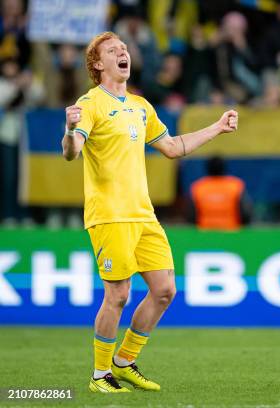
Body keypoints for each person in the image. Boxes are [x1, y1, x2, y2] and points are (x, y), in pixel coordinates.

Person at [61, 31, 238, 393]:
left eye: (124, 49)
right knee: (119, 295)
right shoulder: (90, 103)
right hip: (110, 214)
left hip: (144, 214)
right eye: (113, 50)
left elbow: (173, 147)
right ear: (98, 64)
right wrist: (68, 129)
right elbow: (72, 152)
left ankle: (124, 362)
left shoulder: (141, 107)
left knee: (164, 290)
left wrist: (217, 128)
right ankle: (99, 376)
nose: (123, 52)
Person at [190, 156, 251, 230]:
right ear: (224, 167)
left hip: (205, 233)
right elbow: (246, 213)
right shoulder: (236, 186)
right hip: (231, 232)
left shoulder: (198, 187)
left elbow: (191, 215)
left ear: (208, 168)